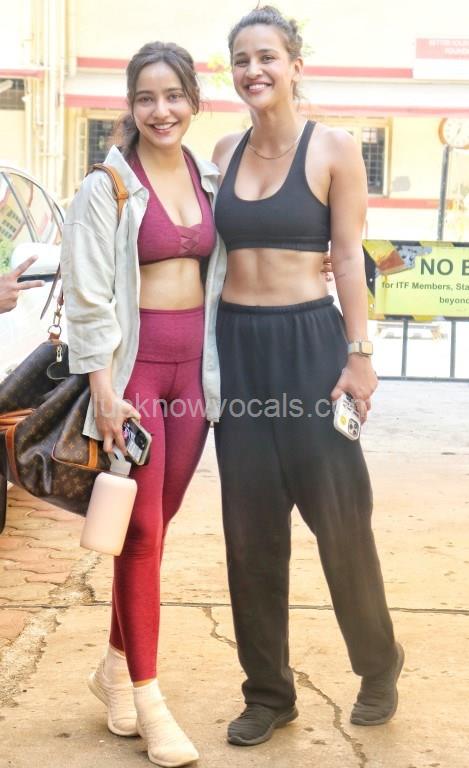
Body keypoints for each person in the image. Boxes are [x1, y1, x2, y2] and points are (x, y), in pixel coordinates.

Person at [205, 5, 405, 747]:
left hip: (311, 347)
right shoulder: (221, 151)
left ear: (294, 65)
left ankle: (378, 665)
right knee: (250, 533)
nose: (253, 70)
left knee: (340, 521)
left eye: (266, 56)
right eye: (241, 59)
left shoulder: (335, 148)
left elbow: (349, 256)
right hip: (238, 351)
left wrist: (360, 354)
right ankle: (268, 693)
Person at [60, 41, 225, 767]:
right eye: (147, 98)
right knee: (144, 533)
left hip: (194, 377)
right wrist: (103, 388)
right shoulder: (109, 186)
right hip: (134, 377)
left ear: (193, 100)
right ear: (130, 105)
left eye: (174, 96)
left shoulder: (206, 176)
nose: (162, 111)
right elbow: (88, 294)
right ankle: (151, 701)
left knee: (155, 526)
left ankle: (113, 667)